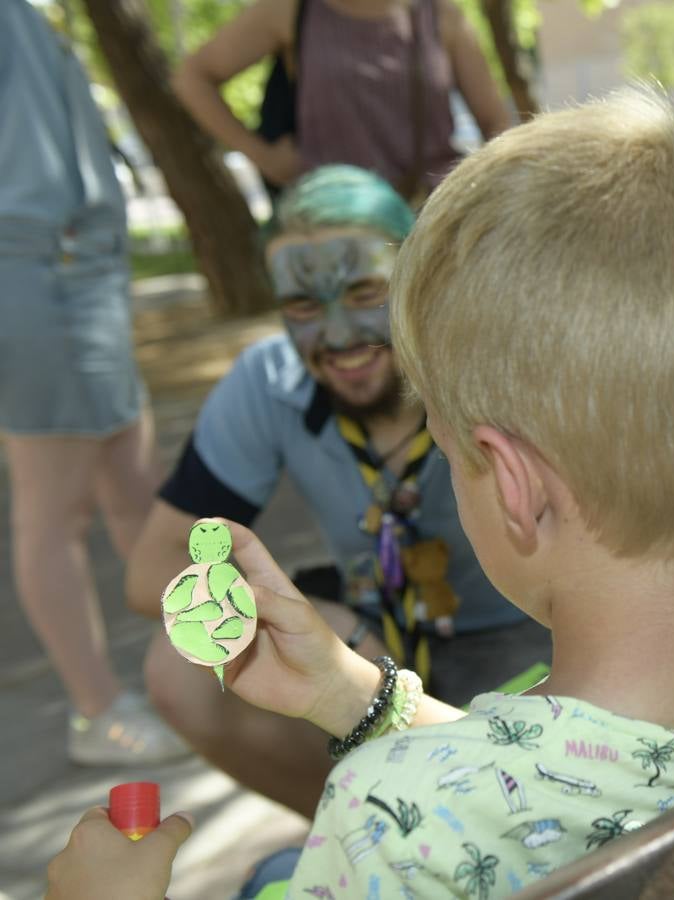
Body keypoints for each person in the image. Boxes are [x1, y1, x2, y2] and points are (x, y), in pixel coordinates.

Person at [49, 88, 674, 899]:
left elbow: (471, 799)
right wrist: (357, 695)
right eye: (305, 306)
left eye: (451, 453)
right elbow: (577, 768)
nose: (341, 335)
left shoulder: (389, 823)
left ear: (513, 484)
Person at [126, 164, 542, 815]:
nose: (340, 335)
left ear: (417, 280)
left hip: (531, 640)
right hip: (365, 641)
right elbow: (151, 569)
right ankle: (352, 838)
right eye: (303, 307)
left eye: (364, 292)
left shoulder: (493, 359)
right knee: (182, 671)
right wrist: (330, 629)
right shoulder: (267, 382)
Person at [0, 0, 187, 766]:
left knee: (135, 490)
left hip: (83, 267)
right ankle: (96, 712)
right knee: (55, 508)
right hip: (35, 265)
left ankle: (191, 671)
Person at [171, 0, 512, 200]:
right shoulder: (293, 10)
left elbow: (496, 121)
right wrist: (265, 157)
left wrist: (480, 189)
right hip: (334, 221)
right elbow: (193, 78)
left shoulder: (440, 14)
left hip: (428, 215)